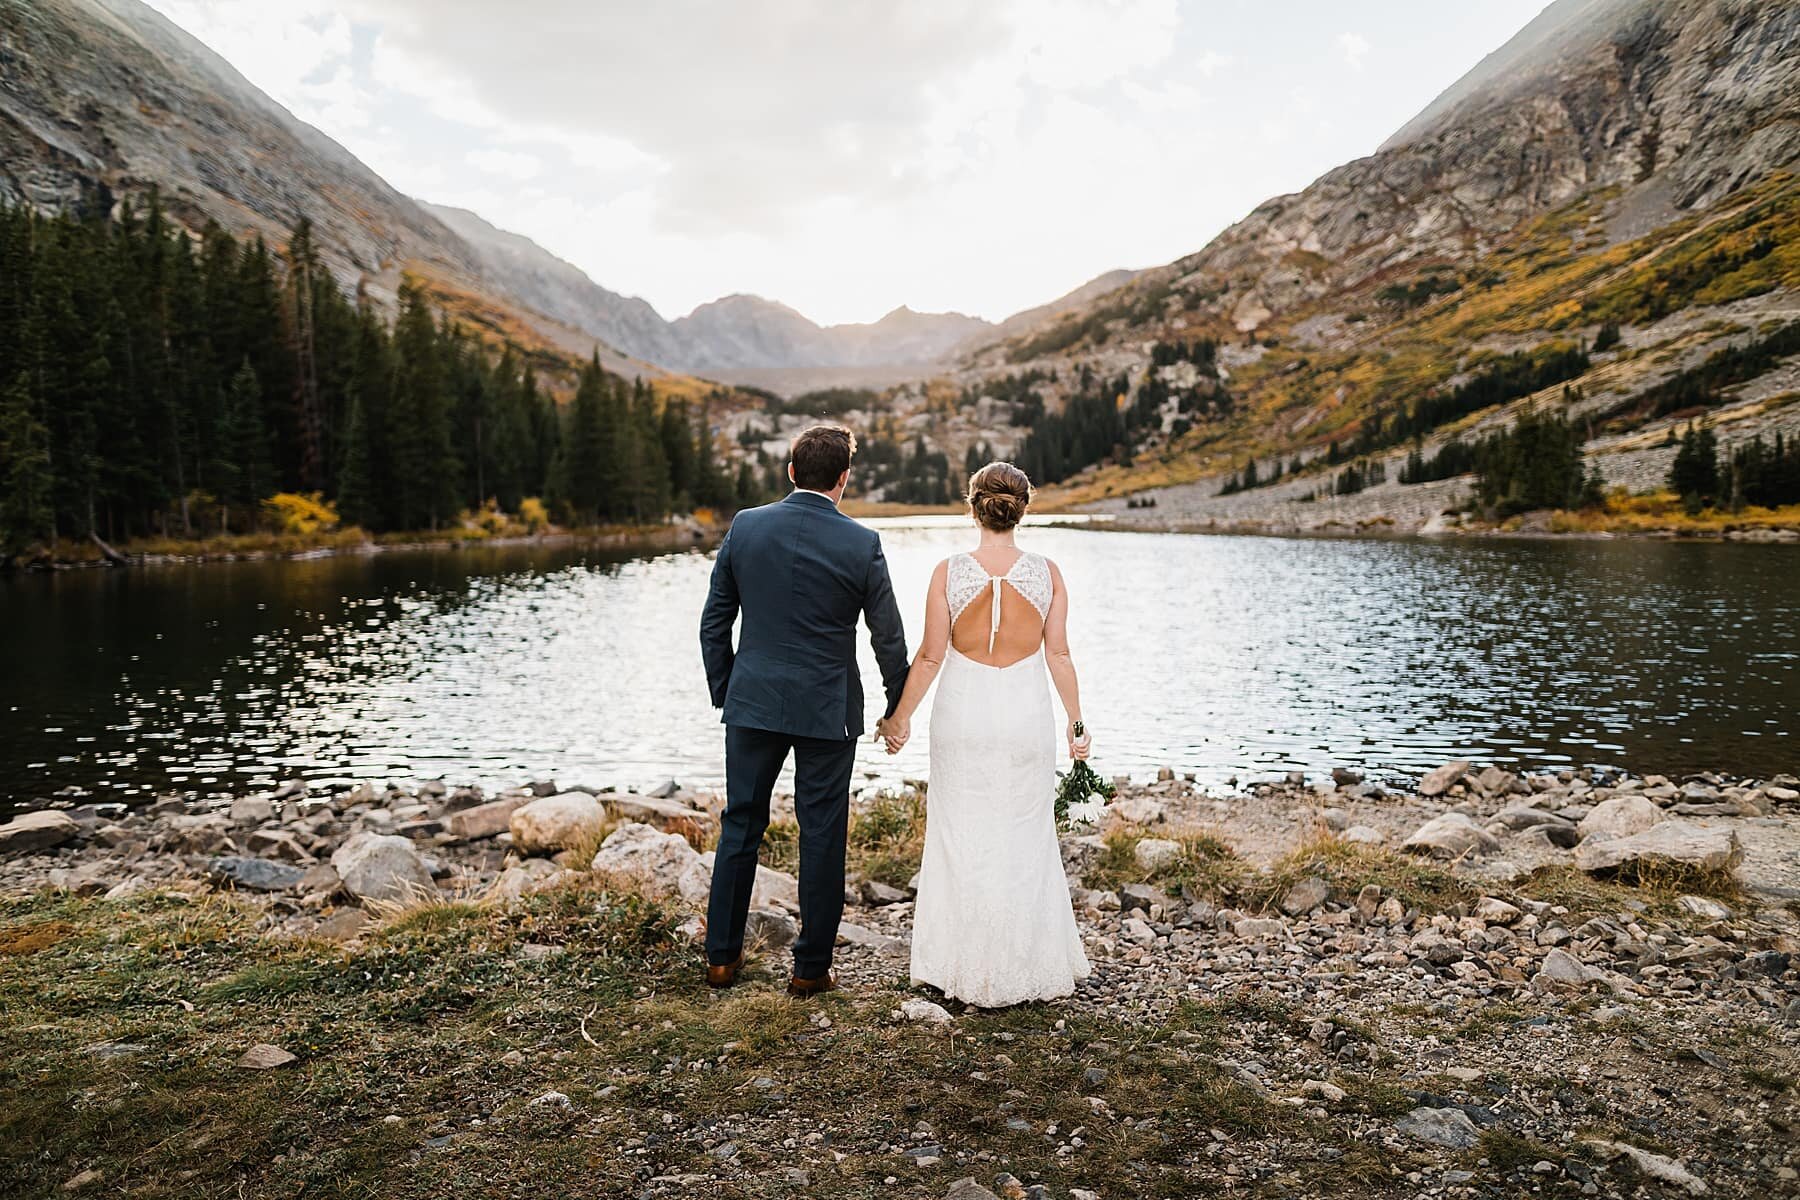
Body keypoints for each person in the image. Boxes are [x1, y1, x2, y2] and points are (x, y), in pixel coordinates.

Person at [699, 423, 910, 998]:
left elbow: (715, 621)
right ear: (844, 479)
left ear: (792, 471)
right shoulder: (861, 543)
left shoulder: (746, 526)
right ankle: (810, 969)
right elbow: (888, 640)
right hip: (828, 709)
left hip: (753, 702)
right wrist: (898, 708)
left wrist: (729, 689)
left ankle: (721, 958)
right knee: (821, 833)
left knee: (740, 824)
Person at [878, 461, 1092, 1007]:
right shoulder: (1048, 572)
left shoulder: (948, 572)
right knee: (1026, 834)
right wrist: (1076, 723)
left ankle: (958, 966)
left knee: (959, 834)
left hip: (963, 715)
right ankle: (1026, 965)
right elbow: (1059, 654)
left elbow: (929, 657)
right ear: (1023, 509)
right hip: (1024, 715)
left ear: (973, 506)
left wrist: (898, 719)